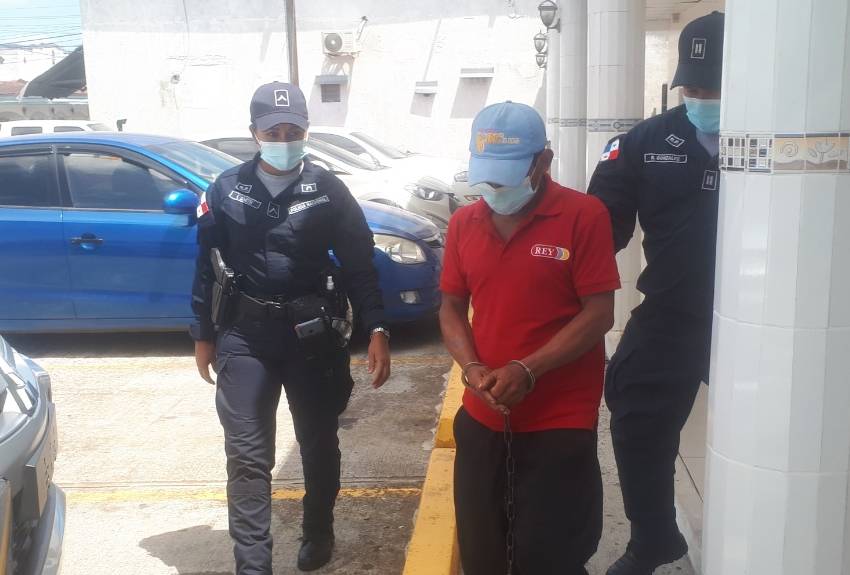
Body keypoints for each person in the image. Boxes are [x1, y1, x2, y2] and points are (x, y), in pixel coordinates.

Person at [190, 81, 391, 574]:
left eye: (293, 131)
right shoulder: (226, 189)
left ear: (306, 131)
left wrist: (377, 329)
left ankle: (318, 531)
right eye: (273, 132)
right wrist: (202, 334)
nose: (284, 140)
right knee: (246, 455)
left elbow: (360, 265)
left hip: (312, 338)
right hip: (245, 335)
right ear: (254, 133)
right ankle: (252, 564)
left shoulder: (328, 190)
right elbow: (206, 265)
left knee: (318, 442)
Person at [440, 101, 621, 575]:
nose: (494, 191)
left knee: (549, 557)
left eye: (506, 177)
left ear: (544, 161)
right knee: (483, 556)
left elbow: (600, 313)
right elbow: (451, 308)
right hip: (483, 416)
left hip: (558, 422)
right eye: (487, 179)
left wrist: (528, 369)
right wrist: (472, 368)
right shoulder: (463, 223)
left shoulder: (583, 215)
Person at [587, 12, 725, 575]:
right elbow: (599, 231)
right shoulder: (645, 143)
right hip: (674, 310)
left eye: (714, 88)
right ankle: (654, 537)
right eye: (693, 88)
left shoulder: (784, 139)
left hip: (761, 319)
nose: (702, 99)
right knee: (634, 408)